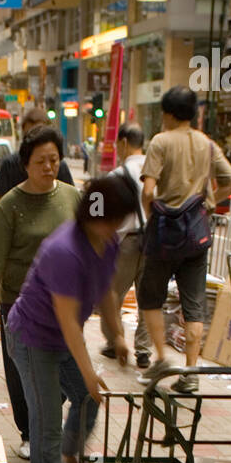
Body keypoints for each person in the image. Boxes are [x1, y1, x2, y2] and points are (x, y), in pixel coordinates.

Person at [5, 176, 136, 463]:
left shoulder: (107, 243)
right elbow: (68, 322)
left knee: (88, 398)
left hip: (61, 338)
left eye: (121, 220)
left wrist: (118, 336)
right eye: (113, 218)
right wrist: (90, 372)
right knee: (46, 416)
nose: (117, 227)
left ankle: (69, 458)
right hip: (32, 337)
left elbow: (107, 292)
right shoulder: (63, 250)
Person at [0, 125, 80, 461]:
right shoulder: (10, 205)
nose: (49, 167)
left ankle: (49, 425)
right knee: (22, 373)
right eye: (41, 162)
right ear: (26, 165)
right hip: (19, 301)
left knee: (64, 368)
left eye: (54, 160)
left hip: (62, 300)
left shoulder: (70, 196)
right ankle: (28, 432)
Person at [137, 86, 231, 394]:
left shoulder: (160, 142)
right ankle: (191, 373)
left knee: (150, 298)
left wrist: (152, 214)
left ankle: (161, 358)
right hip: (197, 234)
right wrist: (208, 203)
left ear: (167, 113)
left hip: (163, 236)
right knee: (194, 306)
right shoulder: (207, 144)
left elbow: (147, 191)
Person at [99, 123, 151, 370]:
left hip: (126, 242)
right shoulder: (156, 172)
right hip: (154, 242)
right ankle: (144, 351)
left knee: (112, 295)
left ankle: (113, 342)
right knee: (148, 299)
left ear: (123, 143)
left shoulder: (117, 176)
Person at [0, 106, 75, 203]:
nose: (47, 167)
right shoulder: (10, 165)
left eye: (52, 160)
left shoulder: (61, 167)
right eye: (30, 136)